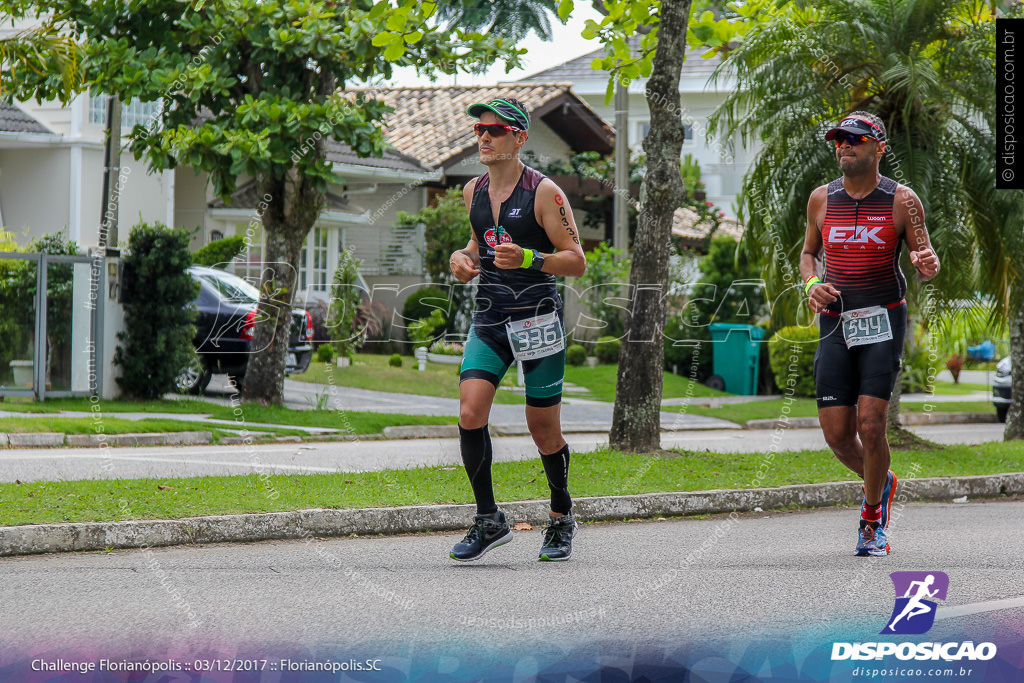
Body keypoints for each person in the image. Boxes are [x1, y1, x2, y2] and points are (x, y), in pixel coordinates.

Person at [447, 97, 586, 562]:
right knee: (470, 411)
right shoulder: (472, 191)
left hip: (537, 320)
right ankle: (489, 520)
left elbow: (576, 261)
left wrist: (531, 257)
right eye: (479, 131)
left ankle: (562, 517)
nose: (484, 137)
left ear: (519, 137)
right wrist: (462, 259)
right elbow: (476, 242)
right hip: (490, 318)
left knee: (542, 428)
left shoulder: (545, 193)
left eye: (496, 130)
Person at [801, 111, 939, 557]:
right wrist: (810, 284)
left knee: (871, 425)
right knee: (838, 435)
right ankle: (881, 479)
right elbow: (807, 254)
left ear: (879, 147)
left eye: (855, 140)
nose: (845, 147)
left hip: (882, 320)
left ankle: (872, 517)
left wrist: (928, 264)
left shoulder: (903, 200)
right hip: (836, 323)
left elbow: (925, 252)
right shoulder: (821, 198)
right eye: (839, 141)